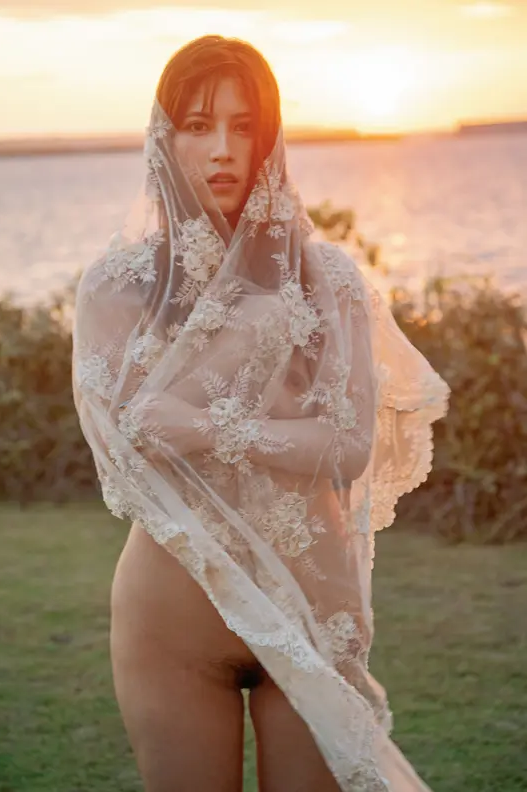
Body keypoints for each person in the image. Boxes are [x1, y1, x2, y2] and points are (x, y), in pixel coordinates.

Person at [72, 35, 450, 792]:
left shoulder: (328, 279)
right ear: (164, 136)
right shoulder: (117, 287)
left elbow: (347, 446)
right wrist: (245, 343)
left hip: (313, 608)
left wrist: (203, 425)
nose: (223, 149)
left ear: (270, 139)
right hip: (173, 618)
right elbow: (131, 447)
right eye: (198, 124)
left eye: (244, 127)